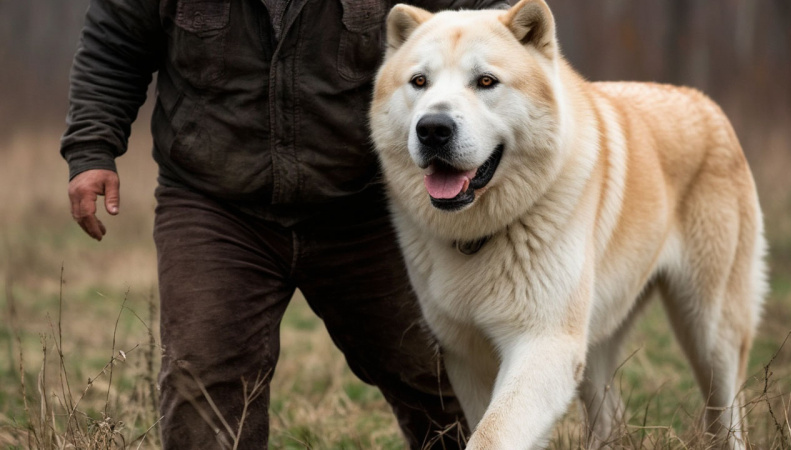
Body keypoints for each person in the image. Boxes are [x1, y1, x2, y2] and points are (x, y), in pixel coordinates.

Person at [61, 0, 507, 448]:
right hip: (214, 206)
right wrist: (91, 149)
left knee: (438, 372)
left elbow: (491, 23)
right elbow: (114, 44)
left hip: (365, 207)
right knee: (204, 383)